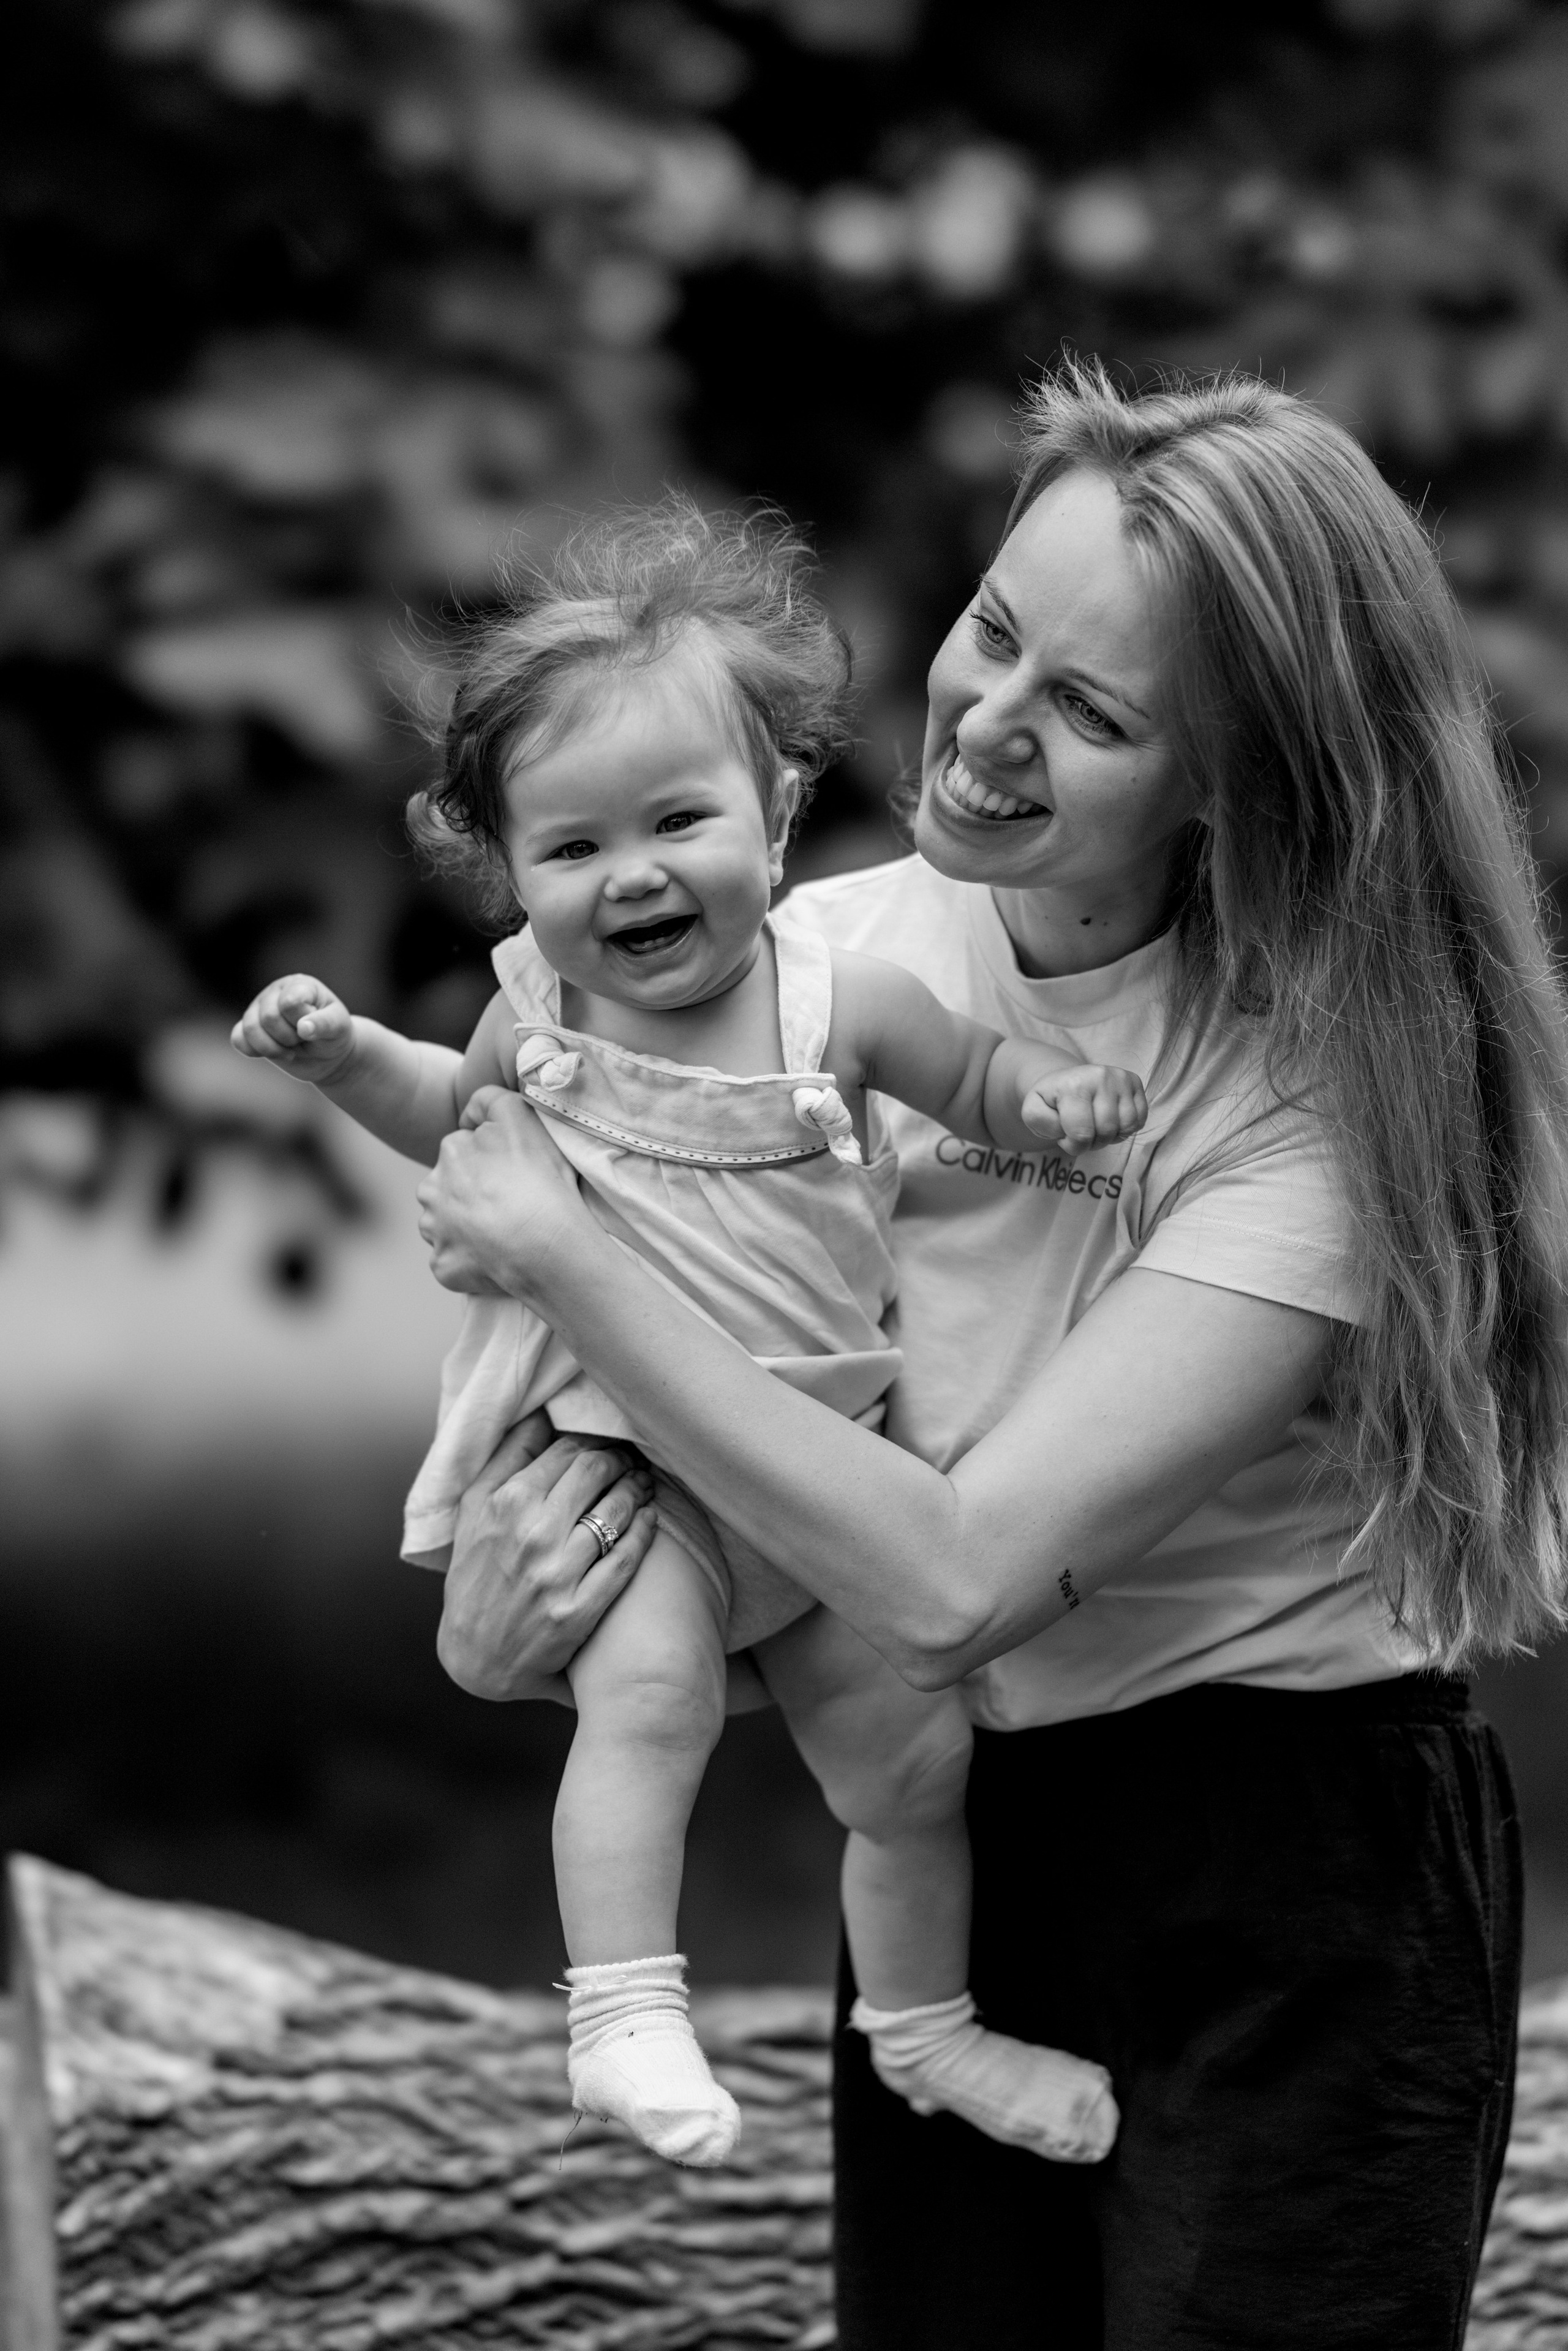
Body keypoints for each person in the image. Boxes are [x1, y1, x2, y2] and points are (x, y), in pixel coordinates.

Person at [415, 361, 1568, 2350]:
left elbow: (947, 1573)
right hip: (959, 1848)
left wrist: (579, 1274)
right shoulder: (812, 963)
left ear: (1243, 784)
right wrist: (517, 1609)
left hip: (1284, 1882)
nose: (989, 727)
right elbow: (740, 1483)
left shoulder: (1323, 1105)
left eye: (1096, 714)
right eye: (996, 632)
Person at [232, 502, 1144, 2172]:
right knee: (643, 1707)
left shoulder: (834, 1000)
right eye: (572, 850)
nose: (633, 873)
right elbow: (454, 1117)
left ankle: (928, 2034)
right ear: (507, 875)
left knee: (911, 1769)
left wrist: (1058, 1101)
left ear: (777, 813)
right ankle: (625, 2014)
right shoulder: (544, 1025)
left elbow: (977, 1083)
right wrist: (343, 1053)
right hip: (635, 1472)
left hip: (826, 1471)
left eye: (677, 819)